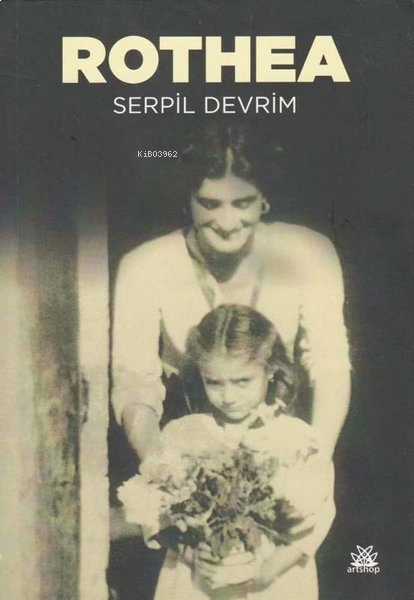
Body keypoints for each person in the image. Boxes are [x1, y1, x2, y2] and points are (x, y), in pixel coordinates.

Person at [112, 123, 351, 461]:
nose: (226, 223)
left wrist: (318, 455)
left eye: (243, 203)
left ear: (264, 199)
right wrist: (158, 461)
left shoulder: (308, 254)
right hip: (187, 452)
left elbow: (330, 366)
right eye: (210, 204)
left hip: (286, 451)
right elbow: (135, 382)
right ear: (187, 200)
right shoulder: (145, 266)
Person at [140, 304, 335, 600]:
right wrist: (193, 556)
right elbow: (153, 512)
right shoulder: (182, 434)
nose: (228, 396)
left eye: (242, 381)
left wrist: (265, 572)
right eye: (214, 383)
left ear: (270, 371)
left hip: (273, 581)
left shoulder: (297, 439)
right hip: (198, 582)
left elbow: (317, 519)